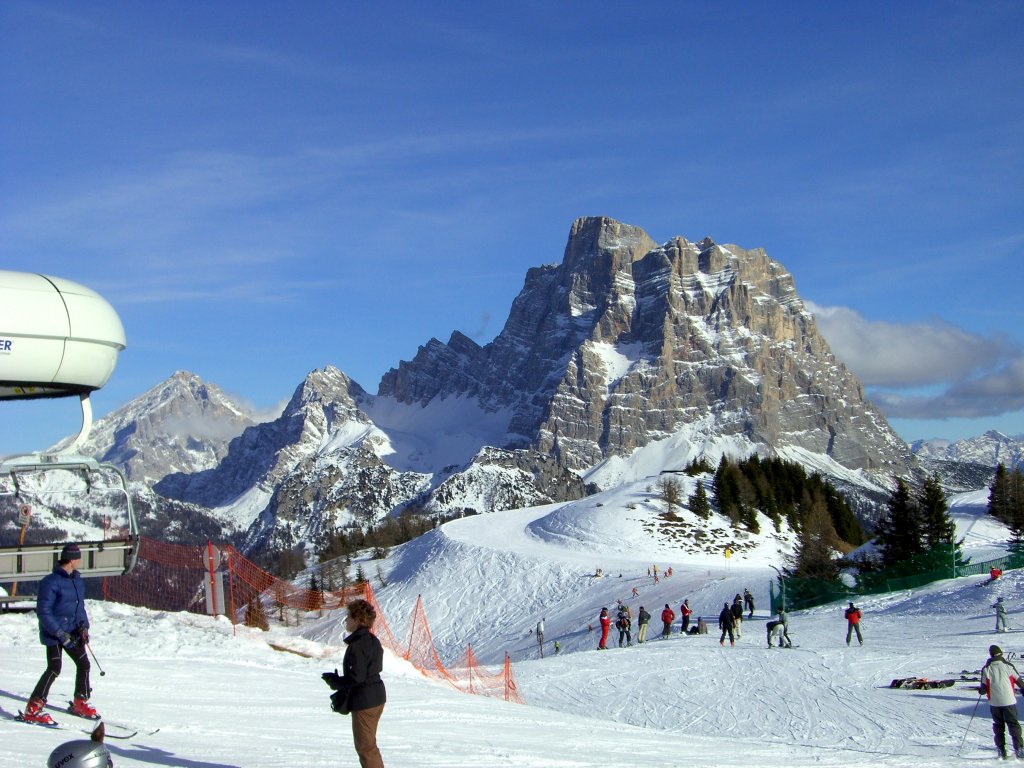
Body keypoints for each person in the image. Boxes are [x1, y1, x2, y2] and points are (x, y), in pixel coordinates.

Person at [23, 543, 94, 725]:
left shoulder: (77, 580)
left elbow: (79, 607)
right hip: (54, 633)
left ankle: (80, 701)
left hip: (73, 631)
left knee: (84, 664)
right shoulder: (51, 582)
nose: (80, 560)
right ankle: (33, 707)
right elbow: (43, 611)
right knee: (54, 668)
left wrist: (84, 627)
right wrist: (60, 633)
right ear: (71, 560)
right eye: (78, 557)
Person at [342, 599, 387, 768]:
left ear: (358, 620)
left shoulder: (358, 644)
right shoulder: (372, 640)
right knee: (368, 746)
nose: (346, 620)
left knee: (366, 748)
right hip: (376, 697)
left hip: (365, 701)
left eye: (348, 616)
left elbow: (357, 677)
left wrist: (337, 682)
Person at [980, 645, 1024, 759]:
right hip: (1009, 700)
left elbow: (983, 688)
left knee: (998, 725)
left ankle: (1001, 750)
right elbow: (1019, 681)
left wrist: (981, 690)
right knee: (1013, 724)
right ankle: (1019, 748)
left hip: (994, 702)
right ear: (1000, 654)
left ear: (991, 655)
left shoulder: (986, 669)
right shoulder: (1008, 666)